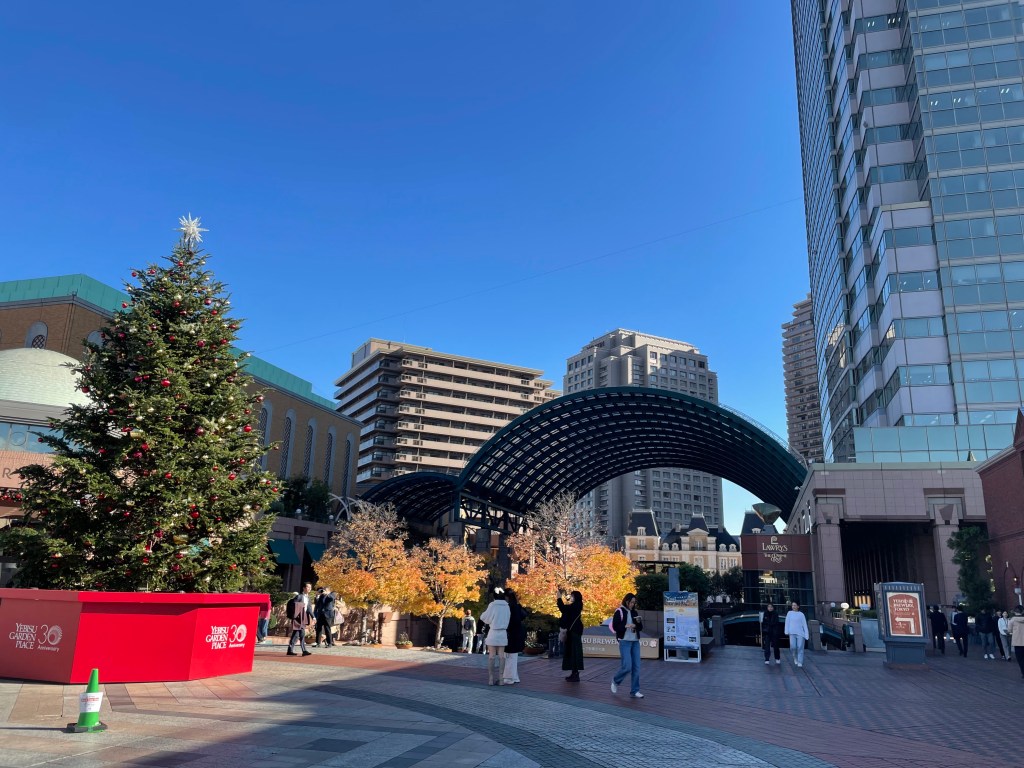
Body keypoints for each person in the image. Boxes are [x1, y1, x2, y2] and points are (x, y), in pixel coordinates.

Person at [610, 592, 644, 698]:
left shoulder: (635, 612)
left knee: (637, 667)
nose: (632, 604)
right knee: (627, 666)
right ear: (626, 601)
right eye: (631, 602)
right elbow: (615, 627)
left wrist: (637, 624)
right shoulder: (619, 611)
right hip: (624, 641)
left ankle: (635, 691)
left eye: (634, 602)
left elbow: (640, 628)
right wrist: (626, 626)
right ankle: (616, 681)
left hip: (635, 642)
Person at [479, 587, 511, 686]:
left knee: (491, 656)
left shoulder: (492, 605)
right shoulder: (507, 606)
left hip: (493, 632)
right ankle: (501, 679)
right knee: (502, 656)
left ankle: (491, 679)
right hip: (503, 633)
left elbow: (484, 618)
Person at [558, 589, 585, 682]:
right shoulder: (577, 606)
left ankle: (575, 673)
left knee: (573, 652)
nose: (571, 597)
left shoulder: (575, 606)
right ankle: (575, 673)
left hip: (573, 631)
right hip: (575, 631)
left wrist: (558, 598)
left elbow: (563, 609)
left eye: (572, 596)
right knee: (574, 652)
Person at [503, 590, 527, 685]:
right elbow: (523, 615)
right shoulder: (517, 607)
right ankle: (514, 676)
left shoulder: (509, 608)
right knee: (513, 657)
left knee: (509, 656)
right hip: (517, 634)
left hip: (510, 634)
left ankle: (509, 678)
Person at [287, 583, 313, 657]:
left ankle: (290, 650)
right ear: (304, 588)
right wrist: (301, 606)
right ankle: (304, 650)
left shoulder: (308, 598)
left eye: (310, 587)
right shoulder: (299, 596)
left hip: (303, 617)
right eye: (308, 587)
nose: (309, 588)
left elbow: (309, 609)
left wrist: (313, 617)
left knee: (295, 634)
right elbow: (293, 605)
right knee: (302, 634)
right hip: (298, 618)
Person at [784, 601, 809, 668]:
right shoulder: (789, 613)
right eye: (792, 605)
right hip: (792, 633)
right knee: (793, 647)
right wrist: (786, 631)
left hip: (800, 633)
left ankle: (800, 661)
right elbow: (787, 623)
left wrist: (806, 634)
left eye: (795, 605)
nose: (793, 607)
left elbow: (804, 625)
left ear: (798, 606)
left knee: (800, 647)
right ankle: (794, 657)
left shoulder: (801, 614)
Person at [1008, 606, 1024, 679]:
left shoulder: (1012, 620)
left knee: (1020, 659)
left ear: (1015, 612)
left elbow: (1009, 630)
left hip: (1017, 642)